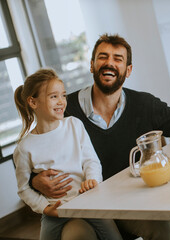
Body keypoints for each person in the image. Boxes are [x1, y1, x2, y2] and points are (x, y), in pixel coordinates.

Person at [31, 34, 170, 240]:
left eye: (117, 59)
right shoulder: (65, 109)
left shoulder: (144, 104)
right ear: (92, 65)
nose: (109, 63)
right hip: (83, 206)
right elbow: (32, 150)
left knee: (161, 226)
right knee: (76, 236)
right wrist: (34, 181)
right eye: (103, 57)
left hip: (127, 201)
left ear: (128, 70)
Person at [13, 69, 122, 240]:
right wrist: (45, 208)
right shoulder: (24, 147)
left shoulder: (74, 125)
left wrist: (92, 180)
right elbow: (23, 189)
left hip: (88, 202)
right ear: (33, 103)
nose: (61, 102)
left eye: (63, 95)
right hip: (54, 211)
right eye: (53, 96)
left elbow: (91, 161)